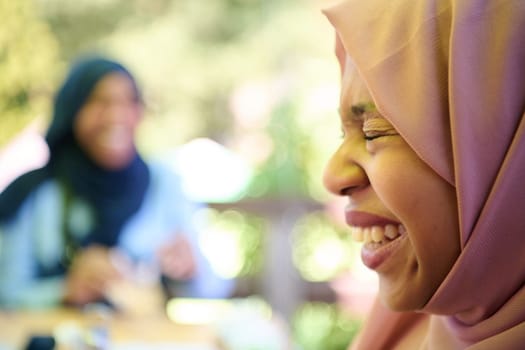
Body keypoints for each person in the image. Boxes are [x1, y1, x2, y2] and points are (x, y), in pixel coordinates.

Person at [322, 0, 525, 349]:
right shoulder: (414, 328)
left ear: (502, 150)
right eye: (344, 133)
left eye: (373, 131)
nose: (333, 176)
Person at [0, 56, 233, 309]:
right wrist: (65, 290)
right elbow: (7, 291)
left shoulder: (163, 185)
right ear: (72, 110)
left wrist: (190, 269)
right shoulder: (36, 192)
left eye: (128, 102)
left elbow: (215, 288)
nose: (116, 115)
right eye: (100, 102)